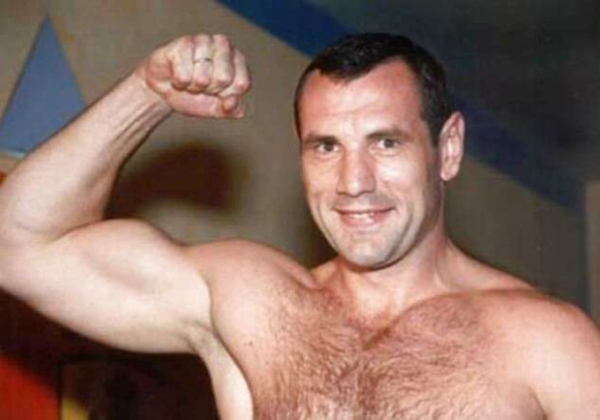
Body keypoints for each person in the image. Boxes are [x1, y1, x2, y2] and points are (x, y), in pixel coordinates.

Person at [0, 31, 598, 419]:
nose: (354, 181)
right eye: (326, 146)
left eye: (385, 142)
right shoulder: (252, 304)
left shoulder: (546, 340)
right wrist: (147, 93)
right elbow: (17, 245)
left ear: (447, 149)